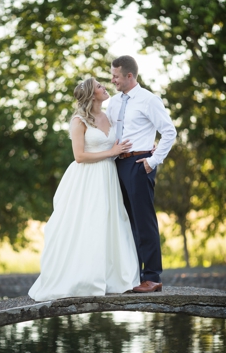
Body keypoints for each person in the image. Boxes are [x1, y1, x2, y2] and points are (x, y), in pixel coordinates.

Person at [28, 77, 141, 301]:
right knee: (89, 223)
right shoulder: (79, 121)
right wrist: (111, 152)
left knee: (112, 223)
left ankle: (113, 278)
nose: (105, 87)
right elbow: (79, 156)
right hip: (88, 178)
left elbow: (124, 141)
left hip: (108, 177)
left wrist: (146, 146)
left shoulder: (109, 116)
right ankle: (84, 279)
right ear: (91, 95)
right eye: (100, 86)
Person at [109, 55, 177, 293]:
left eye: (116, 76)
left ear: (129, 76)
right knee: (127, 223)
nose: (112, 80)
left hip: (140, 164)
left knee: (144, 221)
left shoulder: (149, 100)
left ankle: (152, 276)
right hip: (117, 165)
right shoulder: (114, 103)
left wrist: (152, 161)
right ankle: (133, 275)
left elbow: (169, 132)